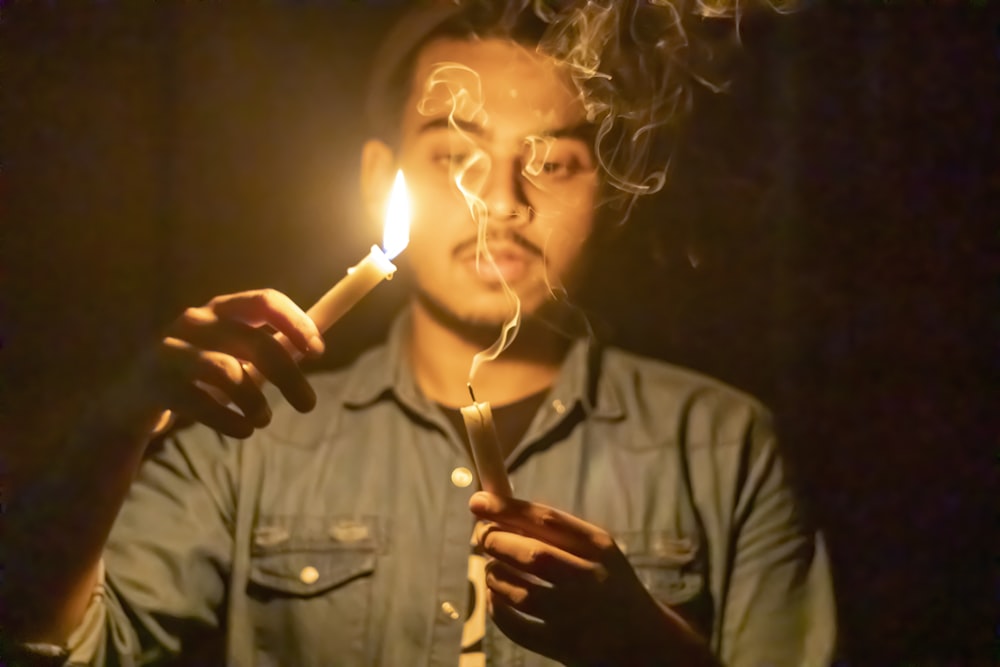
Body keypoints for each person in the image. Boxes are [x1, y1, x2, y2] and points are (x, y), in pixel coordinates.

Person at [1, 2, 836, 666]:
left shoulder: (724, 446)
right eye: (453, 156)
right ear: (380, 178)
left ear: (603, 192)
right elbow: (51, 649)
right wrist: (113, 432)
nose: (501, 201)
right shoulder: (246, 440)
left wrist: (643, 648)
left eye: (551, 161)